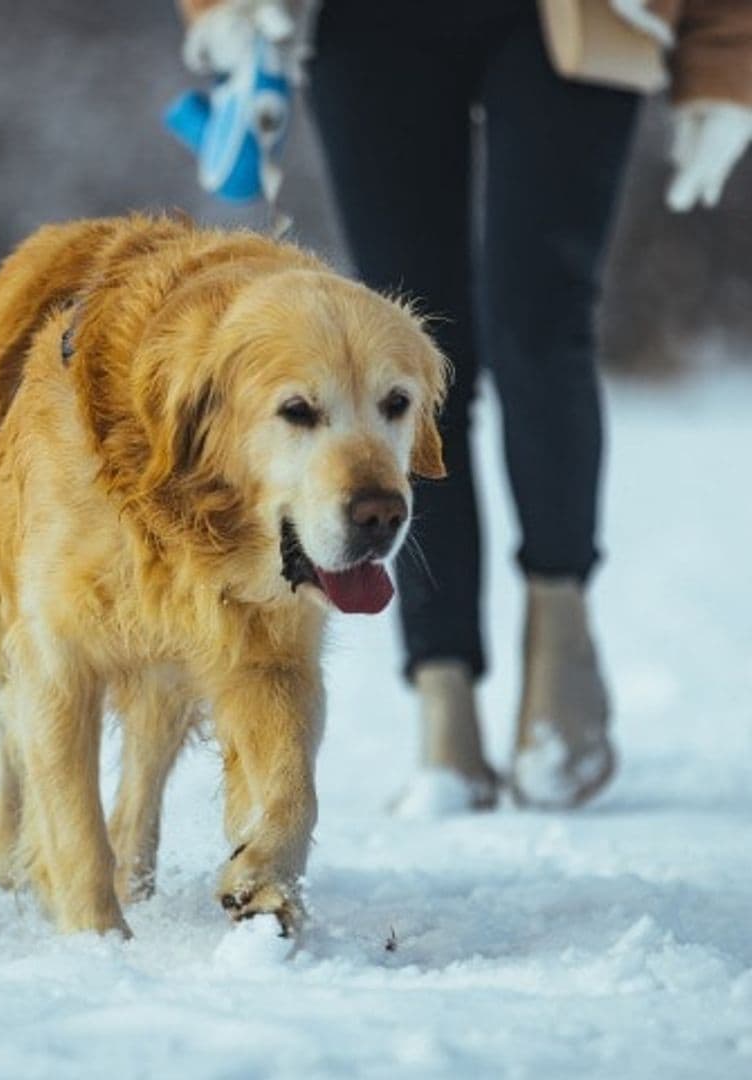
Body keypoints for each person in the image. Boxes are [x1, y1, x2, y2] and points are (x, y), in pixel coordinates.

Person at [177, 0, 752, 811]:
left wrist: (724, 57)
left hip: (580, 18)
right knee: (402, 349)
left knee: (540, 332)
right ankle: (444, 701)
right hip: (373, 26)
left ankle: (562, 653)